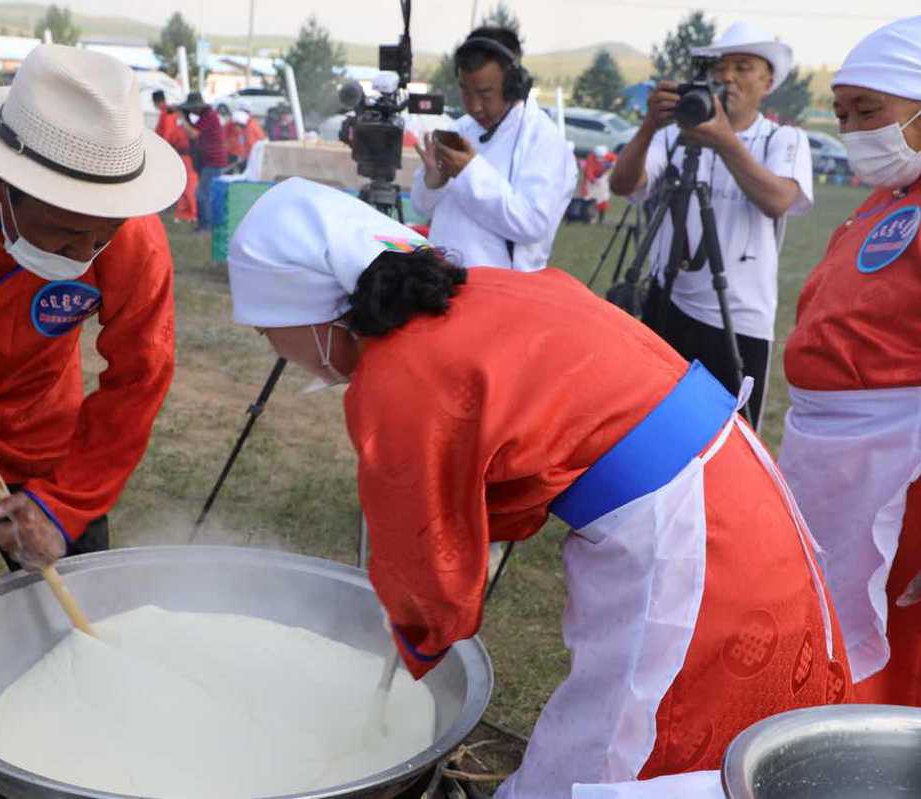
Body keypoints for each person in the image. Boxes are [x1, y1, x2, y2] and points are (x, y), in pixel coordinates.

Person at [227, 177, 851, 797]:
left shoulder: (400, 374)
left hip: (684, 531)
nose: (272, 349)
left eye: (265, 330)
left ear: (310, 313)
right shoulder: (478, 292)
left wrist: (410, 639)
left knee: (622, 741)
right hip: (728, 469)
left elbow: (427, 564)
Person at [0, 45, 185, 595]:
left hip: (41, 423)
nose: (83, 255)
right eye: (64, 232)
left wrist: (64, 506)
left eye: (102, 236)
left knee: (73, 597)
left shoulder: (137, 241)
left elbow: (141, 377)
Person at [778, 15, 921, 708]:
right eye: (842, 114)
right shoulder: (884, 200)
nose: (853, 130)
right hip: (831, 454)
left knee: (887, 631)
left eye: (871, 112)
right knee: (819, 616)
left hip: (896, 466)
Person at [610, 22, 813, 431]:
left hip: (737, 318)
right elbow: (622, 185)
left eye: (743, 67)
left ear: (767, 81)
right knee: (649, 428)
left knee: (728, 440)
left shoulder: (783, 139)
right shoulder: (673, 137)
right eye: (720, 67)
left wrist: (724, 141)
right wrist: (651, 125)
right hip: (666, 302)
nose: (727, 77)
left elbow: (778, 200)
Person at [411, 27, 577, 272]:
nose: (474, 106)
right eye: (465, 90)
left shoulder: (544, 140)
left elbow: (532, 224)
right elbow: (420, 207)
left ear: (514, 85)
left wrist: (469, 172)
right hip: (442, 281)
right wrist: (432, 184)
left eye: (485, 93)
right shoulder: (459, 130)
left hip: (501, 294)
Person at [179, 92, 227, 233]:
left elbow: (193, 133)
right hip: (208, 161)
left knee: (202, 194)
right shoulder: (205, 116)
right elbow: (195, 130)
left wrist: (183, 118)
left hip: (213, 162)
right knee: (205, 194)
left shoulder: (209, 116)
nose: (191, 110)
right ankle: (204, 225)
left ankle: (205, 227)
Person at [153, 89, 198, 224]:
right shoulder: (171, 112)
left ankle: (190, 212)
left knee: (186, 184)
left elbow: (166, 134)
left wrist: (162, 151)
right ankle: (185, 213)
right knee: (185, 183)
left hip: (178, 152)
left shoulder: (166, 113)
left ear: (155, 102)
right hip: (181, 152)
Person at [581, 145, 615, 223]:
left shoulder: (609, 155)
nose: (600, 158)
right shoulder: (591, 158)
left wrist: (613, 165)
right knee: (589, 198)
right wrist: (593, 180)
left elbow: (615, 160)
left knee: (603, 199)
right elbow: (588, 172)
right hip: (592, 181)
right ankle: (588, 217)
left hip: (603, 179)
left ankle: (601, 218)